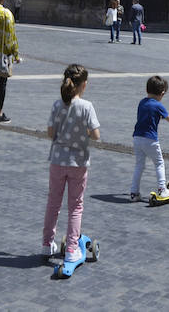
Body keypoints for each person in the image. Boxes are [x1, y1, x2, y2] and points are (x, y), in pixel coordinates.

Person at [41, 64, 101, 265]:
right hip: (78, 162)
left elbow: (50, 133)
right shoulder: (86, 106)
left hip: (57, 160)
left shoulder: (57, 105)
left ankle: (47, 243)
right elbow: (96, 134)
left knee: (53, 203)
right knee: (75, 206)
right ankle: (72, 249)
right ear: (84, 85)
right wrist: (83, 133)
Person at [129, 75, 169, 202]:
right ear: (162, 93)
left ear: (147, 90)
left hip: (137, 138)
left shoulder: (142, 102)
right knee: (159, 163)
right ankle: (162, 189)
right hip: (150, 140)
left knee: (139, 165)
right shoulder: (158, 106)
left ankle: (134, 192)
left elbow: (148, 116)